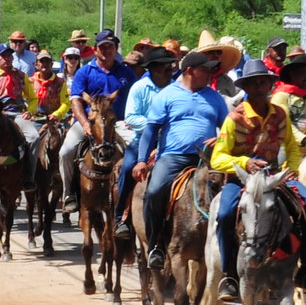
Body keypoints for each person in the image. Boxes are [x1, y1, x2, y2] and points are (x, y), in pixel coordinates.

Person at [208, 62, 306, 299]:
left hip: (274, 176)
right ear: (246, 86)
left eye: (264, 82)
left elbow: (291, 146)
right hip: (241, 180)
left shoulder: (280, 115)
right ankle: (229, 275)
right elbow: (218, 157)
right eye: (254, 82)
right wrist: (243, 163)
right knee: (226, 213)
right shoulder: (234, 118)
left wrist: (291, 169)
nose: (259, 86)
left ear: (271, 85)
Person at [138, 51, 231, 275]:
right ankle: (156, 245)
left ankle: (228, 249)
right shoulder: (167, 95)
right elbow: (151, 129)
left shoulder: (214, 97)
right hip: (173, 157)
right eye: (205, 69)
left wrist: (220, 138)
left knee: (231, 195)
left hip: (208, 159)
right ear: (190, 70)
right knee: (154, 191)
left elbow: (230, 128)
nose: (210, 74)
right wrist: (141, 160)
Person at [61, 29, 138, 212]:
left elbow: (135, 97)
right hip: (90, 122)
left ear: (115, 49)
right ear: (95, 49)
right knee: (65, 151)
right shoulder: (85, 72)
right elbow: (76, 100)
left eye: (110, 47)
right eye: (103, 47)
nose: (106, 51)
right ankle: (69, 193)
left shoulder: (127, 73)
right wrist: (85, 123)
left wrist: (132, 119)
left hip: (119, 123)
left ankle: (133, 195)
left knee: (138, 152)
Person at [115, 47, 178, 236]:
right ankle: (120, 217)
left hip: (170, 141)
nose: (171, 69)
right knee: (127, 168)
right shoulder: (139, 88)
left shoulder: (175, 88)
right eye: (167, 65)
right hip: (144, 139)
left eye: (171, 65)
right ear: (154, 68)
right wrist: (155, 124)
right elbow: (131, 118)